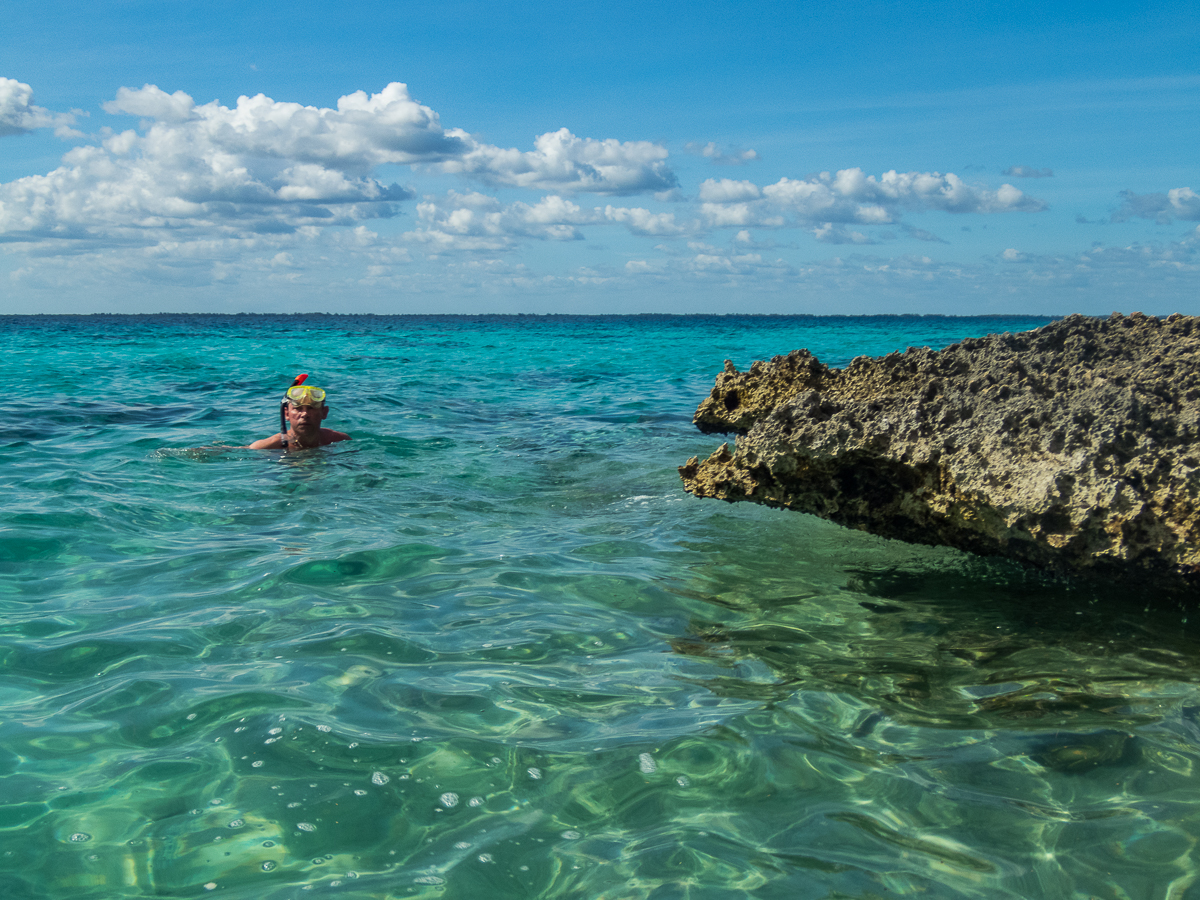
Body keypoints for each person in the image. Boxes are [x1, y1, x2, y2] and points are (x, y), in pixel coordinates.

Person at [248, 381, 350, 450]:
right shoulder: (268, 446)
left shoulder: (339, 440)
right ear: (286, 414)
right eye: (298, 408)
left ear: (324, 413)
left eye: (311, 408)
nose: (305, 414)